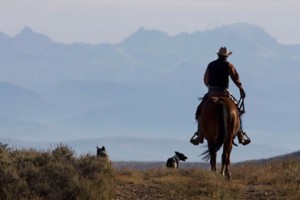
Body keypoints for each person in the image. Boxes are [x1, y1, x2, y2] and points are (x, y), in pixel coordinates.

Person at [190, 47, 250, 145]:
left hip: (212, 92)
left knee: (200, 110)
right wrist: (241, 88)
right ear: (226, 56)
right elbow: (236, 78)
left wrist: (210, 87)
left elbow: (205, 79)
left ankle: (199, 134)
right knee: (238, 111)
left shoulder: (211, 65)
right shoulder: (229, 65)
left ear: (218, 55)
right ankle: (240, 134)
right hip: (224, 92)